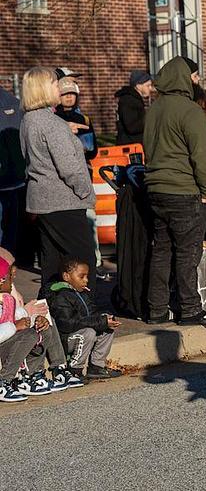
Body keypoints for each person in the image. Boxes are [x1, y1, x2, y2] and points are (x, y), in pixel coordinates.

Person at [143, 57, 206, 331]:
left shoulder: (153, 109)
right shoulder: (190, 110)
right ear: (184, 79)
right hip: (183, 189)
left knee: (161, 251)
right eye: (193, 76)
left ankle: (156, 309)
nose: (196, 80)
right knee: (187, 252)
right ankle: (190, 309)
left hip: (155, 188)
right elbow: (200, 155)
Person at [19, 67, 97, 293]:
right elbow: (69, 168)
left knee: (52, 262)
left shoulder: (28, 120)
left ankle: (52, 307)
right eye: (55, 84)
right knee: (83, 261)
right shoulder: (52, 123)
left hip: (42, 201)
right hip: (63, 202)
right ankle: (84, 308)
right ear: (43, 89)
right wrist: (85, 191)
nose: (60, 88)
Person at [0, 255, 78, 398]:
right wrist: (15, 326)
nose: (13, 281)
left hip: (10, 339)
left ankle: (39, 374)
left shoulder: (6, 299)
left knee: (44, 323)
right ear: (1, 281)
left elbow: (14, 316)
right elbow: (11, 325)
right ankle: (4, 381)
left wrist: (34, 319)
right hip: (4, 345)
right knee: (29, 335)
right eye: (10, 277)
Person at [48, 258, 122, 382]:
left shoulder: (81, 293)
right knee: (89, 332)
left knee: (107, 329)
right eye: (81, 277)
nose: (86, 280)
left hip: (80, 334)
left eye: (87, 276)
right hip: (65, 339)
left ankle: (96, 366)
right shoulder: (60, 296)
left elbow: (93, 312)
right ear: (66, 277)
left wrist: (105, 317)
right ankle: (74, 370)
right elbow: (67, 324)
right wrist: (99, 321)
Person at [0, 84, 28, 266]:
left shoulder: (12, 104)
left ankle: (5, 273)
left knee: (9, 234)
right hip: (12, 178)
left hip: (12, 180)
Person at [53, 77, 97, 161]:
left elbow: (92, 151)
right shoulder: (53, 119)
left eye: (72, 93)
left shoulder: (84, 119)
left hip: (82, 164)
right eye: (64, 93)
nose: (69, 96)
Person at [114, 70, 154, 145]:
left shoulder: (135, 99)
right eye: (148, 85)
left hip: (135, 144)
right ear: (138, 86)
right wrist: (149, 119)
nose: (150, 88)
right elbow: (132, 127)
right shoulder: (128, 101)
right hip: (131, 146)